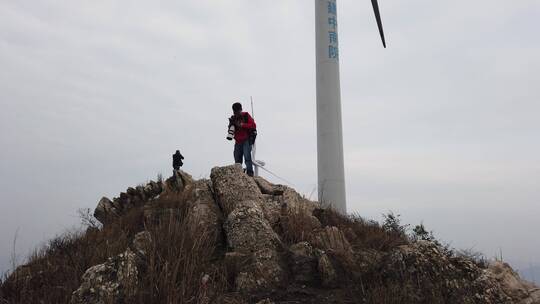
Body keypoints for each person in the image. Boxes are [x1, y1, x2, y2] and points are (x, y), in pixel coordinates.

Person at [230, 102, 256, 176]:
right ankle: (239, 174)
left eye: (237, 111)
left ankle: (250, 173)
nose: (236, 113)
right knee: (237, 159)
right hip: (238, 141)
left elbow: (253, 125)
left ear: (241, 110)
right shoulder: (233, 118)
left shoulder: (246, 115)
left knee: (247, 157)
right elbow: (231, 131)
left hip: (246, 140)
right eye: (235, 111)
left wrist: (242, 125)